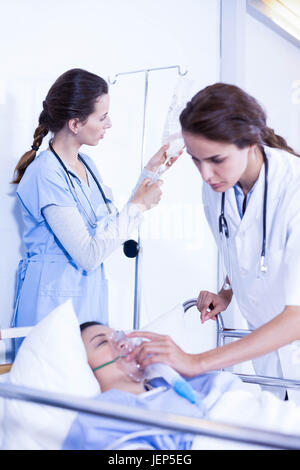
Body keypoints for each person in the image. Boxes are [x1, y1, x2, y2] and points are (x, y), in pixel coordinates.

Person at [127, 82, 300, 402]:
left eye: (216, 159)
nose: (206, 174)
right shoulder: (217, 190)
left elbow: (297, 317)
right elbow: (244, 249)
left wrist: (196, 361)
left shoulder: (293, 190)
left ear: (250, 142)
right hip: (268, 357)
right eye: (196, 160)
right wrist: (227, 292)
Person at [11, 68, 180, 354]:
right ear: (75, 123)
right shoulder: (46, 174)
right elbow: (88, 254)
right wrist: (138, 206)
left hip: (85, 302)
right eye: (102, 117)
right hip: (50, 306)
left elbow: (109, 227)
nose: (109, 123)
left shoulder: (87, 165)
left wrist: (151, 172)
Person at [62, 321, 243, 450]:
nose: (122, 342)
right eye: (102, 342)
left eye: (117, 335)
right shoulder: (101, 417)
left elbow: (234, 395)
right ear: (82, 365)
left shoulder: (170, 382)